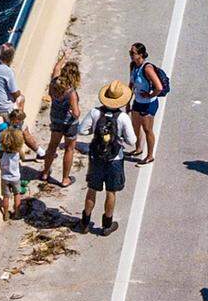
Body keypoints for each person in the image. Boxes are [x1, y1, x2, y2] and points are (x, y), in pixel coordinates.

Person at [77, 80, 136, 236]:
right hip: (114, 159)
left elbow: (81, 130)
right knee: (111, 191)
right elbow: (132, 141)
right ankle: (106, 225)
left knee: (92, 189)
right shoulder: (123, 118)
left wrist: (95, 133)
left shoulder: (95, 113)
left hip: (96, 156)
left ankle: (85, 222)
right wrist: (119, 139)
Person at [0, 42, 39, 154]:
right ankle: (40, 152)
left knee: (21, 99)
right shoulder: (7, 72)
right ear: (11, 57)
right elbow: (15, 93)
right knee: (24, 128)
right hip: (4, 108)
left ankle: (19, 120)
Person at [41, 55, 81, 187]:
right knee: (69, 149)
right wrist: (75, 113)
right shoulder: (71, 93)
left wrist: (64, 57)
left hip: (56, 120)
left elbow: (56, 67)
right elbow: (76, 113)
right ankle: (65, 179)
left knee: (52, 146)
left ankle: (45, 173)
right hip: (69, 124)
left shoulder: (54, 84)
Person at [128, 42, 164, 164]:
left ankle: (149, 155)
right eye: (130, 52)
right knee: (136, 126)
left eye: (133, 53)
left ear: (141, 55)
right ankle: (138, 148)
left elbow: (159, 87)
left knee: (147, 129)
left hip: (148, 104)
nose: (131, 55)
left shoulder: (147, 68)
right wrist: (128, 101)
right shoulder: (133, 66)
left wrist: (150, 95)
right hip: (138, 101)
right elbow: (131, 84)